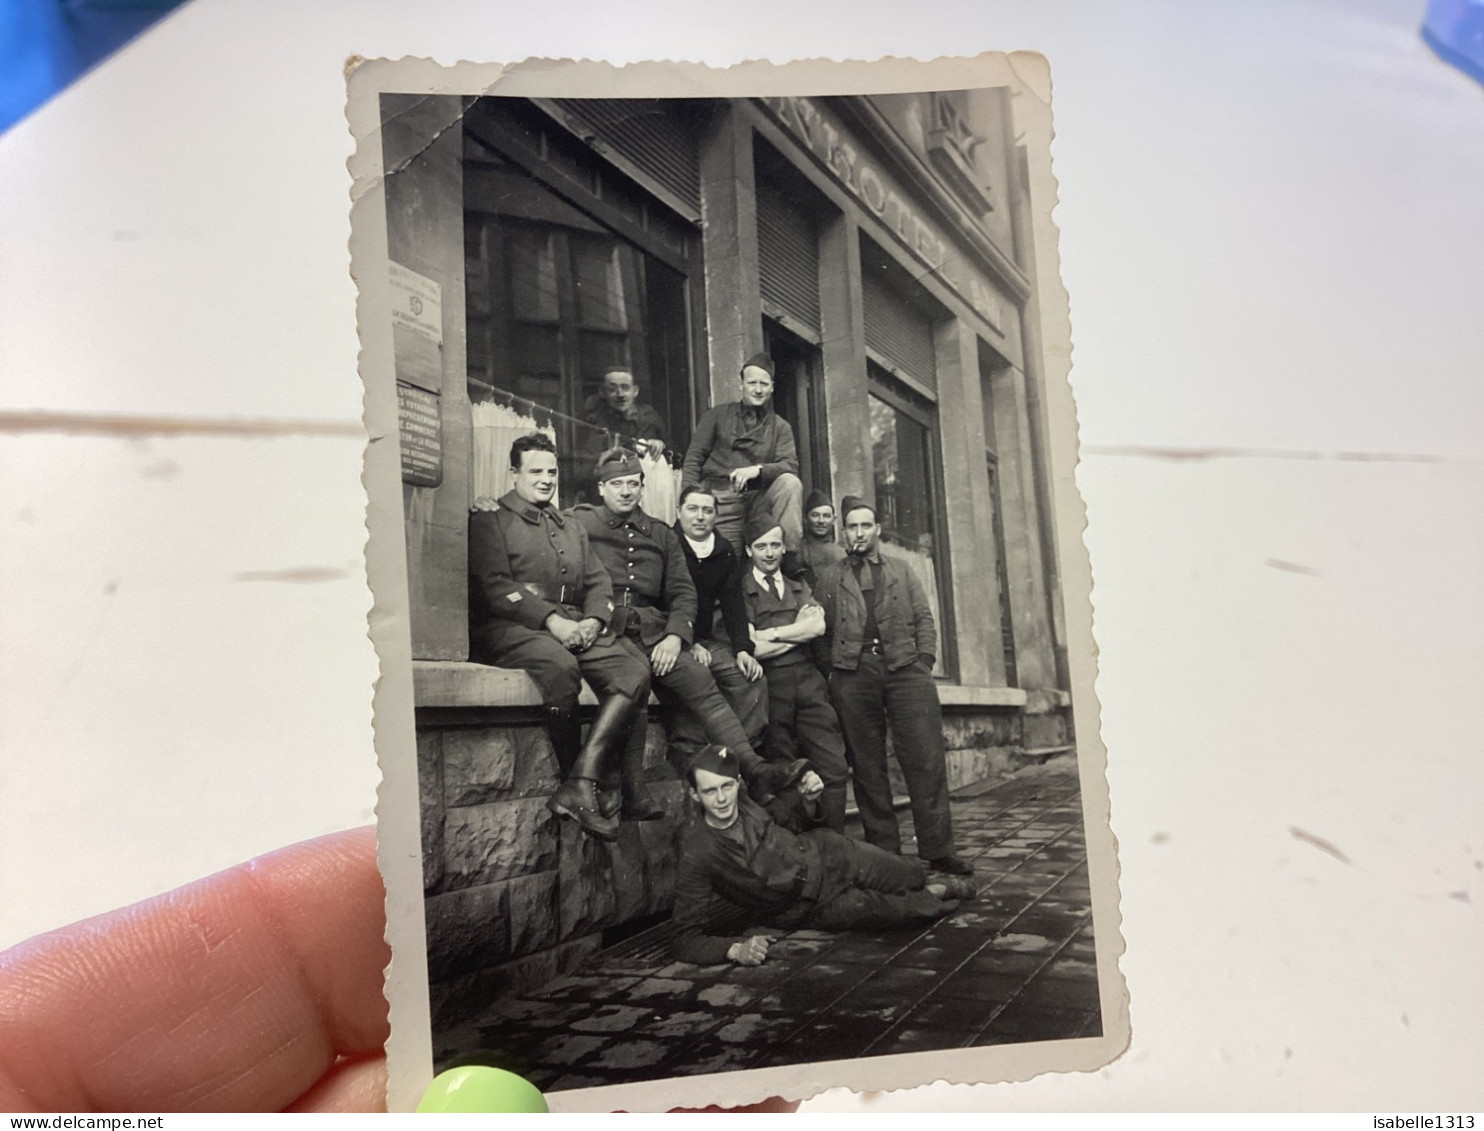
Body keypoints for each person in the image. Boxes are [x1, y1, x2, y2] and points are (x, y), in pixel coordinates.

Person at [569, 448, 810, 806]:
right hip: (605, 630)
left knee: (699, 678)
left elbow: (683, 593)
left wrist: (674, 636)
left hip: (652, 632)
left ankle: (753, 768)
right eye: (616, 484)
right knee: (633, 679)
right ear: (601, 488)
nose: (625, 492)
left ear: (642, 487)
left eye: (632, 484)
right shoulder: (578, 522)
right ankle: (626, 789)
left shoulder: (661, 534)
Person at [467, 432, 651, 841]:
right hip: (509, 627)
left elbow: (599, 581)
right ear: (514, 473)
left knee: (632, 670)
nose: (546, 479)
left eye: (552, 471)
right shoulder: (491, 519)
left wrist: (593, 621)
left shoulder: (569, 524)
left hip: (572, 624)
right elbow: (497, 588)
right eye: (536, 471)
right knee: (560, 667)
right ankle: (577, 780)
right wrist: (553, 621)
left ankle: (582, 779)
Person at [670, 746, 975, 966]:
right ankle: (937, 891)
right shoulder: (698, 852)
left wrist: (809, 801)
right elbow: (685, 939)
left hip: (832, 853)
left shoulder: (750, 801)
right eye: (710, 792)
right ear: (695, 795)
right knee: (891, 911)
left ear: (738, 785)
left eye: (727, 786)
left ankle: (924, 881)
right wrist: (734, 950)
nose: (722, 799)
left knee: (908, 874)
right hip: (810, 906)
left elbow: (791, 820)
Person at [812, 496, 975, 876]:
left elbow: (924, 619)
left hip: (906, 671)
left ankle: (938, 849)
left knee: (925, 758)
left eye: (865, 525)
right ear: (844, 531)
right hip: (853, 674)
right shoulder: (830, 578)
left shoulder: (902, 570)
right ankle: (885, 852)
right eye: (852, 526)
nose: (859, 533)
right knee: (867, 766)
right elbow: (820, 633)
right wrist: (835, 673)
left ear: (877, 530)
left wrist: (924, 662)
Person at [739, 512, 852, 833]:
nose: (770, 553)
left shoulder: (796, 583)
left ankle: (836, 847)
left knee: (833, 765)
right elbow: (751, 649)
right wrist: (795, 631)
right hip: (769, 687)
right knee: (784, 771)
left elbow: (817, 626)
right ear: (749, 550)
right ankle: (799, 848)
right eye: (762, 546)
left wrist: (771, 634)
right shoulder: (741, 591)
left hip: (809, 683)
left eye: (775, 545)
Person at [669, 483, 770, 777]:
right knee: (698, 677)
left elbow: (733, 603)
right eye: (692, 509)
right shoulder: (667, 543)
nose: (700, 517)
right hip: (671, 638)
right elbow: (661, 602)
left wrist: (742, 649)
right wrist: (687, 643)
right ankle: (699, 766)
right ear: (679, 512)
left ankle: (736, 762)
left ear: (715, 515)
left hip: (706, 639)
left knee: (751, 680)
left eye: (707, 510)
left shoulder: (724, 551)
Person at [681, 352, 805, 577]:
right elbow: (693, 459)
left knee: (790, 483)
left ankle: (789, 557)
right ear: (742, 385)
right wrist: (688, 500)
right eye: (752, 383)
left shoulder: (781, 427)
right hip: (721, 498)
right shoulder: (717, 415)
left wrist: (757, 470)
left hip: (758, 499)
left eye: (763, 384)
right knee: (728, 566)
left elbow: (790, 465)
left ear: (772, 387)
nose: (758, 389)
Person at [799, 488, 845, 586]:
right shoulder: (799, 552)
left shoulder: (841, 555)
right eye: (815, 515)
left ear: (834, 520)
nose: (821, 521)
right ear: (805, 519)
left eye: (826, 516)